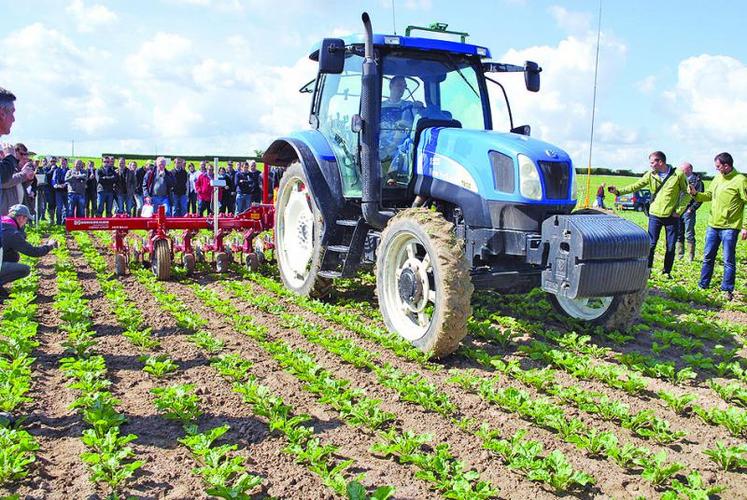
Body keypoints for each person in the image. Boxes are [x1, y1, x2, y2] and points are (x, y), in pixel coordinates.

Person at [608, 151, 689, 277]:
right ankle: (647, 270)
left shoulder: (678, 175)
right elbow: (636, 186)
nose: (650, 165)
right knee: (651, 244)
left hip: (672, 216)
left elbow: (687, 193)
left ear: (660, 162)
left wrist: (678, 211)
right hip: (655, 214)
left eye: (652, 162)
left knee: (671, 246)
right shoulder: (650, 175)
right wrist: (618, 192)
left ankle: (667, 272)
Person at [691, 152, 747, 301]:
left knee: (728, 259)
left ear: (726, 165)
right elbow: (708, 195)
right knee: (708, 257)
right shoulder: (717, 178)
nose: (716, 169)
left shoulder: (740, 180)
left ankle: (727, 290)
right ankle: (703, 285)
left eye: (718, 166)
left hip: (730, 227)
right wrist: (696, 194)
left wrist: (745, 226)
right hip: (713, 225)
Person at [0, 204, 57, 302]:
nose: (26, 223)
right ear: (21, 218)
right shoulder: (11, 233)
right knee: (25, 269)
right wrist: (49, 246)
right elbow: (33, 252)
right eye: (26, 220)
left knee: (13, 256)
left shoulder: (3, 222)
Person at [676, 162, 704, 261]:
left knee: (689, 234)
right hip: (678, 211)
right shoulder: (679, 179)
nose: (681, 171)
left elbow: (699, 198)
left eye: (683, 169)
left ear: (689, 169)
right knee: (679, 233)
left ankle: (690, 257)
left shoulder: (697, 182)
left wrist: (691, 209)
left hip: (688, 211)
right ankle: (680, 255)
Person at [0, 144, 35, 215]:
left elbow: (19, 185)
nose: (24, 156)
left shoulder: (16, 166)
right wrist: (24, 175)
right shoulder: (5, 165)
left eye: (26, 154)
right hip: (6, 211)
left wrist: (29, 179)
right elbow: (5, 182)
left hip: (16, 210)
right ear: (14, 151)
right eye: (22, 154)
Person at [51, 157, 69, 225]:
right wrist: (56, 185)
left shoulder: (69, 170)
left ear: (66, 163)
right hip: (58, 191)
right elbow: (53, 180)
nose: (63, 163)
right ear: (60, 162)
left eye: (64, 162)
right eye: (62, 162)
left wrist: (65, 184)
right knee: (59, 207)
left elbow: (70, 180)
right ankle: (58, 222)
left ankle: (65, 222)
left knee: (66, 207)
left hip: (66, 191)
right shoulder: (56, 170)